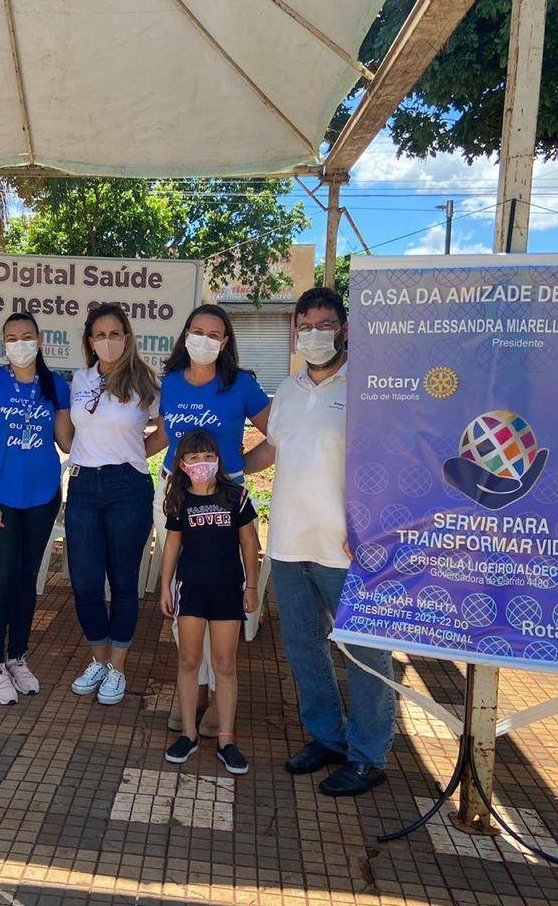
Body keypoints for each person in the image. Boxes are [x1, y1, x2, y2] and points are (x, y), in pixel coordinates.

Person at [245, 285, 395, 797]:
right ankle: (328, 737)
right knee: (304, 650)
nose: (313, 335)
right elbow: (272, 450)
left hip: (346, 550)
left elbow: (386, 465)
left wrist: (370, 527)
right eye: (305, 326)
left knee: (365, 654)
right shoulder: (286, 390)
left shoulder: (368, 389)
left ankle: (369, 754)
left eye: (324, 325)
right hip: (289, 543)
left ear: (344, 330)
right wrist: (227, 470)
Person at [154, 304, 270, 736]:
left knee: (221, 587)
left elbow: (278, 435)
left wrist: (238, 471)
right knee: (185, 589)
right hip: (174, 492)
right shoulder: (170, 382)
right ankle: (195, 689)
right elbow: (163, 435)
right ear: (186, 334)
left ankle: (218, 694)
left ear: (225, 343)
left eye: (214, 334)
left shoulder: (241, 385)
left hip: (224, 499)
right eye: (196, 330)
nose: (203, 339)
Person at [0, 312, 72, 705]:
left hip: (42, 497)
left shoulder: (55, 384)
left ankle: (17, 657)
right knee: (1, 577)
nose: (20, 344)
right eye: (12, 338)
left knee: (27, 578)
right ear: (3, 343)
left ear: (40, 340)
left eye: (27, 336)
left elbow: (67, 441)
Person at [65, 304, 162, 705]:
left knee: (123, 581)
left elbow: (165, 430)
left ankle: (117, 667)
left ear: (127, 337)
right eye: (100, 335)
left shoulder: (145, 379)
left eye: (115, 333)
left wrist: (134, 454)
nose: (108, 341)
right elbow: (70, 429)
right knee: (85, 582)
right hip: (84, 485)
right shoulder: (80, 378)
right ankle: (99, 660)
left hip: (128, 485)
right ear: (90, 341)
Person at [158, 429, 259, 774]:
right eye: (194, 458)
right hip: (191, 590)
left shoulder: (236, 496)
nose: (202, 463)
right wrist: (165, 586)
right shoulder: (179, 499)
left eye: (208, 456)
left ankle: (226, 740)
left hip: (228, 590)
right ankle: (188, 734)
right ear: (182, 464)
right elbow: (172, 544)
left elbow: (249, 543)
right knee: (189, 660)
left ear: (218, 458)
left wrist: (252, 587)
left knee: (225, 664)